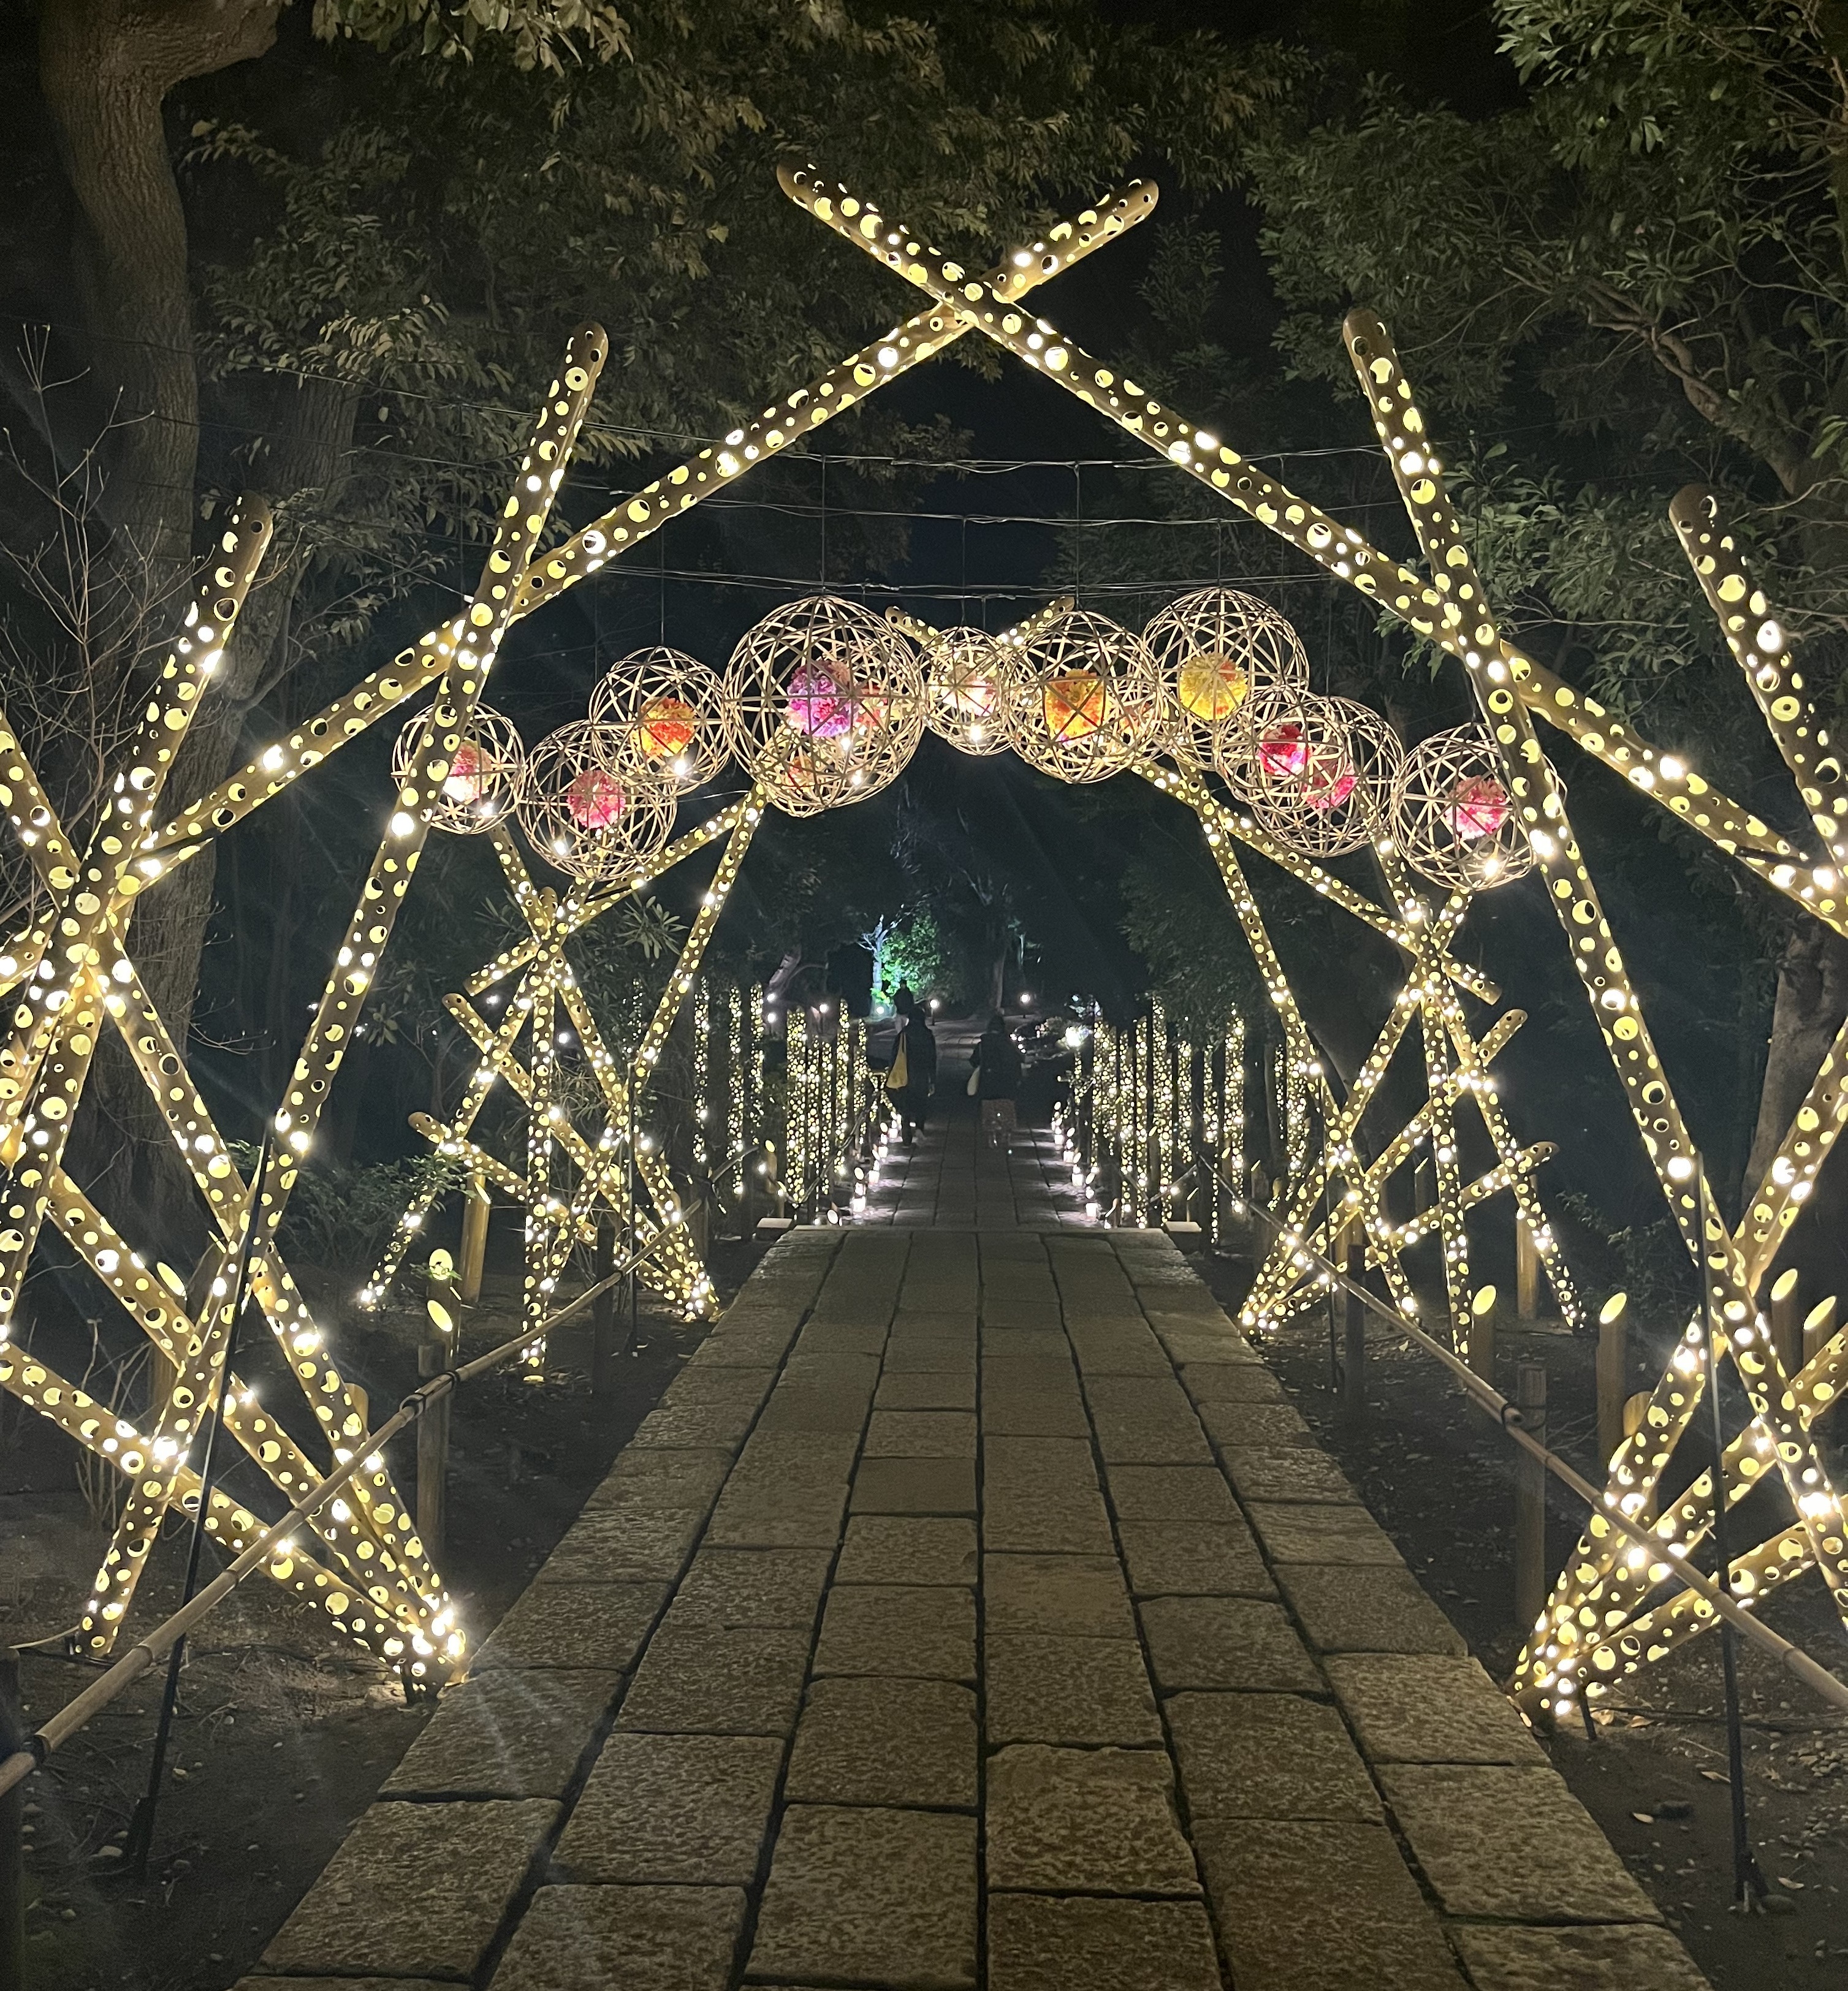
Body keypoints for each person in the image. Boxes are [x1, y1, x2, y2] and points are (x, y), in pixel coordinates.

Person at [972, 1011, 1022, 1150]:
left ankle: (992, 1137)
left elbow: (974, 1061)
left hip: (988, 1084)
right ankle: (1006, 1135)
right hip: (1007, 1084)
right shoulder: (1008, 1043)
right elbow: (1018, 1061)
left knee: (989, 1111)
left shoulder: (983, 1044)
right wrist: (1018, 1079)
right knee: (1007, 1110)